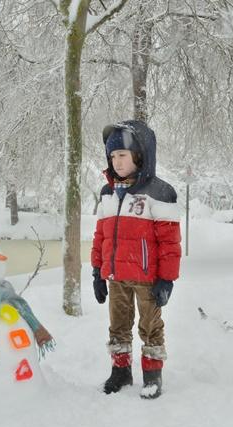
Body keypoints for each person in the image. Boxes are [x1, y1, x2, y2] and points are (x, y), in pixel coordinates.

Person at [91, 120, 181, 399]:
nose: (117, 162)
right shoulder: (108, 193)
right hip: (116, 275)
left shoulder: (159, 192)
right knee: (118, 324)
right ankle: (120, 371)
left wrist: (166, 278)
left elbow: (169, 242)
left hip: (147, 277)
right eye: (113, 156)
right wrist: (97, 270)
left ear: (139, 155)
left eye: (123, 155)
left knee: (150, 325)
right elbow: (101, 236)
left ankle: (153, 375)